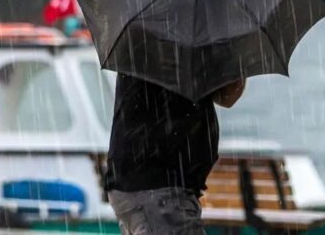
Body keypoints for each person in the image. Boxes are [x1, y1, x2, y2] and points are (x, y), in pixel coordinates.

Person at [104, 75, 246, 234]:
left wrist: (236, 61)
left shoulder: (191, 58)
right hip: (155, 185)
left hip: (160, 187)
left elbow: (227, 96)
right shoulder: (166, 54)